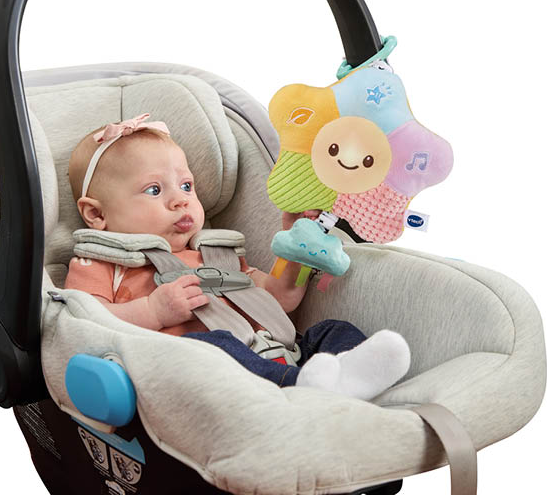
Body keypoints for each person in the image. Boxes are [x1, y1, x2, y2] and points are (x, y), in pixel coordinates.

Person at [65, 113, 410, 400]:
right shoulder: (100, 262)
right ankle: (305, 386)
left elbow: (278, 300)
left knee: (332, 329)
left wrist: (295, 252)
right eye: (154, 190)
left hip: (278, 351)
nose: (181, 200)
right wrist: (152, 311)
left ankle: (350, 376)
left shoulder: (217, 254)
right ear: (97, 214)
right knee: (214, 345)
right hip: (200, 367)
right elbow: (83, 325)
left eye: (186, 186)